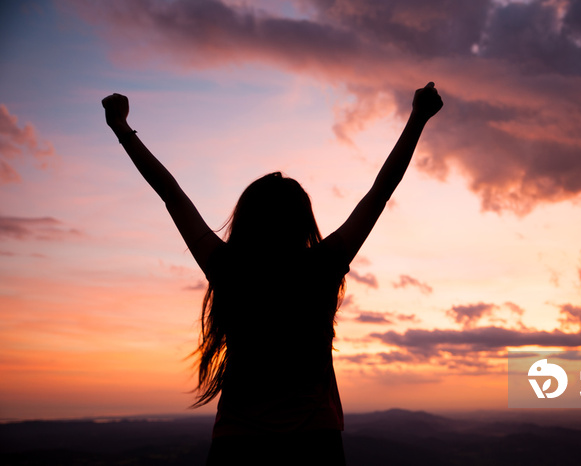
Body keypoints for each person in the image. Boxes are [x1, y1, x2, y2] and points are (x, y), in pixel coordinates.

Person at [102, 82, 443, 465]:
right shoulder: (321, 267)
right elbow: (380, 191)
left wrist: (121, 128)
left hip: (238, 442)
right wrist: (417, 117)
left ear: (246, 221)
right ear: (302, 221)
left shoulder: (227, 268)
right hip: (315, 442)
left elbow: (171, 193)